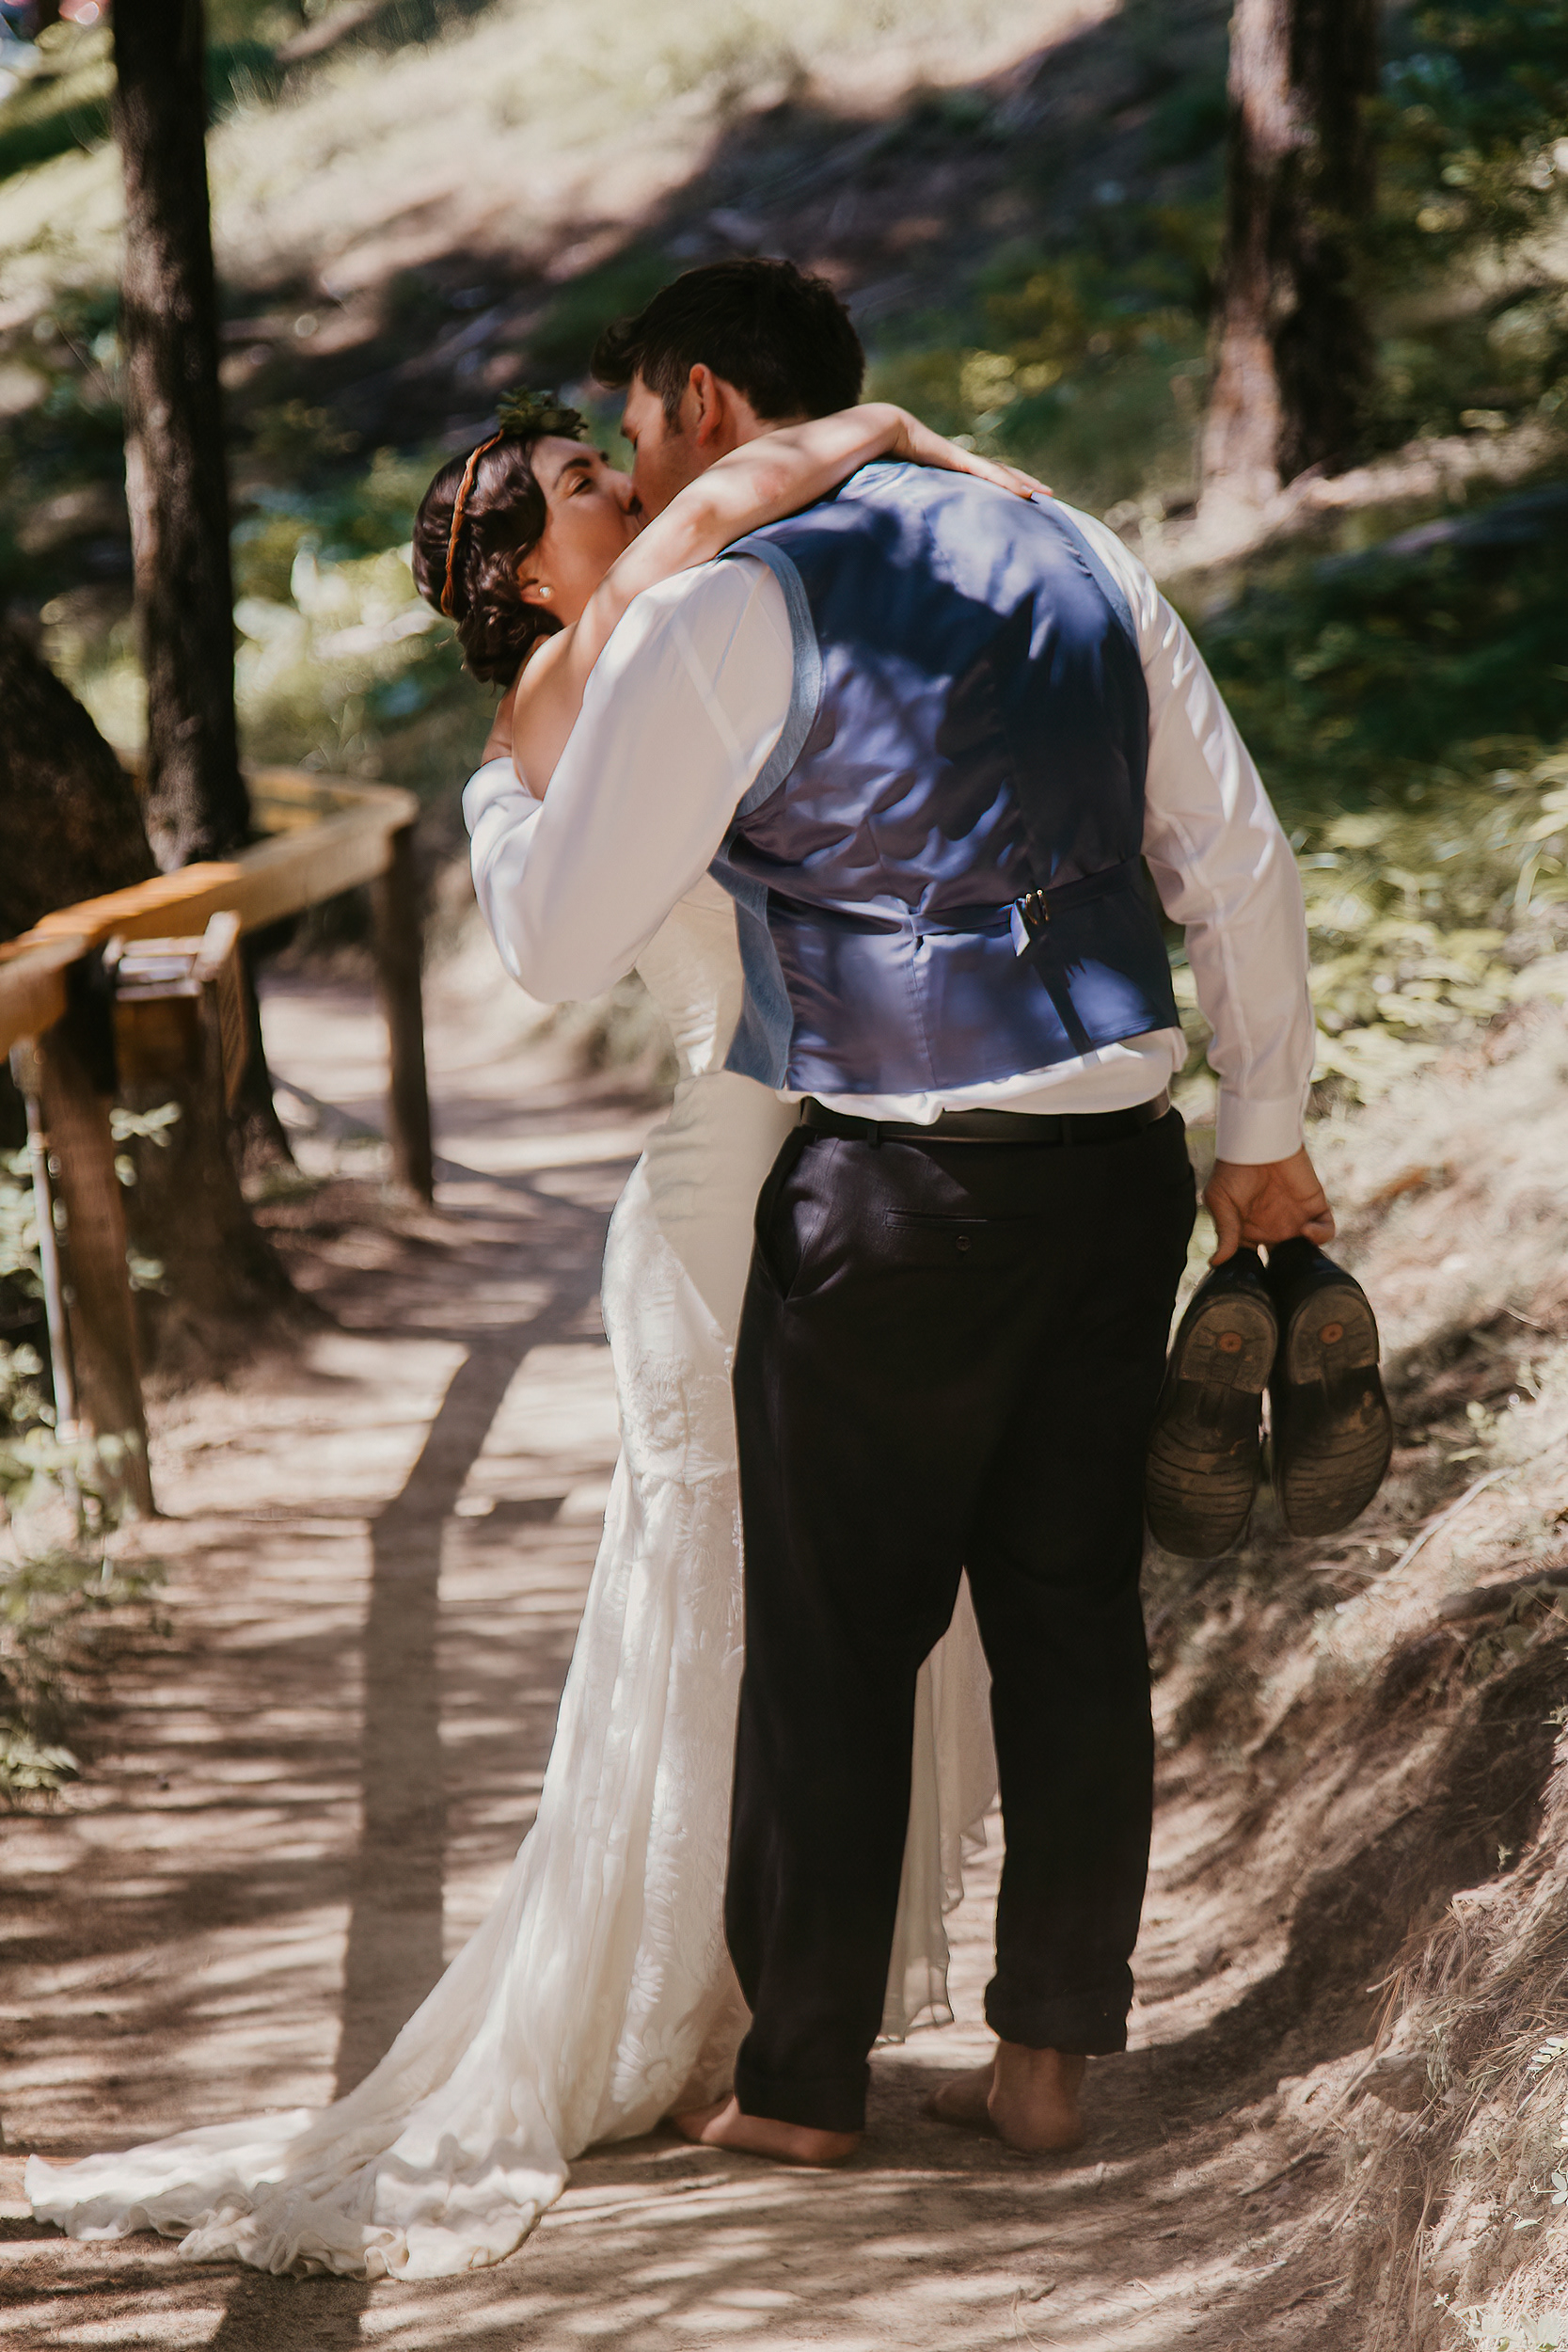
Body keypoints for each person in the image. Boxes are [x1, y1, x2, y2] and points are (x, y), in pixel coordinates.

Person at [24, 293, 1032, 2280]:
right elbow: (716, 510)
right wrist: (890, 425)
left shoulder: (646, 658)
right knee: (719, 1610)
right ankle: (693, 2017)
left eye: (606, 460)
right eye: (581, 481)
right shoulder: (584, 665)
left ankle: (756, 2002)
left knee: (778, 1605)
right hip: (716, 1203)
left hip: (797, 1171)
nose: (621, 489)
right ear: (525, 572)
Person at [466, 256, 1330, 2169]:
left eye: (635, 426)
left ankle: (801, 2084)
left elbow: (562, 937)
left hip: (899, 1175)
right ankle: (1048, 2062)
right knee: (1071, 1611)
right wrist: (1262, 1129)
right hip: (1122, 1153)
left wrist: (502, 814)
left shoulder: (727, 606)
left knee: (838, 1628)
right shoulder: (1076, 545)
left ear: (702, 400)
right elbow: (1233, 854)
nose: (635, 463)